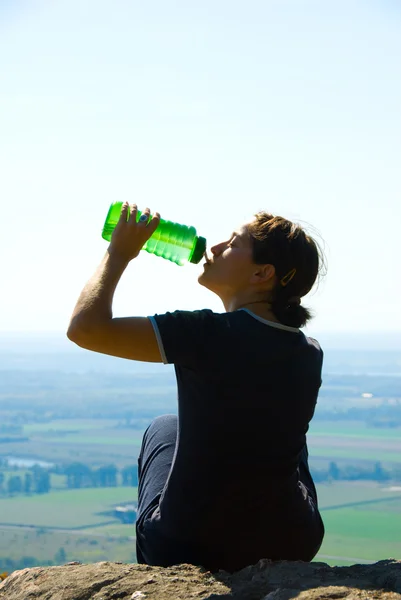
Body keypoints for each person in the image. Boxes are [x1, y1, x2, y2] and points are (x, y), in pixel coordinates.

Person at [67, 202, 326, 573]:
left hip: (187, 547)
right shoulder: (309, 352)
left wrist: (119, 253)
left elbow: (85, 328)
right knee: (281, 433)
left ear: (262, 273)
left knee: (165, 426)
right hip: (291, 541)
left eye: (234, 244)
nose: (217, 247)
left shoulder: (207, 334)